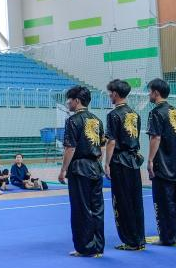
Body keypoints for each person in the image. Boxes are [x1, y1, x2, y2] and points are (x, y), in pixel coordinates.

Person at [58, 85, 105, 257]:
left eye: (69, 100)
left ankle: (84, 247)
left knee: (81, 208)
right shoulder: (97, 120)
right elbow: (101, 145)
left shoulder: (72, 120)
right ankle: (98, 245)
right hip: (95, 167)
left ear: (76, 101)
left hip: (79, 168)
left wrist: (63, 170)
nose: (67, 103)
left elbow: (70, 147)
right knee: (97, 208)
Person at [146, 78, 176, 246]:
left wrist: (150, 160)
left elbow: (156, 137)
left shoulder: (156, 113)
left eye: (150, 92)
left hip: (163, 163)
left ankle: (167, 237)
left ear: (156, 93)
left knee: (164, 201)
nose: (149, 95)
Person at [104, 80, 146, 251]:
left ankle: (130, 240)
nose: (109, 96)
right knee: (136, 200)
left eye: (110, 93)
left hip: (120, 161)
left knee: (122, 200)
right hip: (133, 160)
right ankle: (139, 238)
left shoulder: (113, 115)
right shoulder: (135, 114)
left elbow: (111, 141)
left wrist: (106, 163)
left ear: (115, 93)